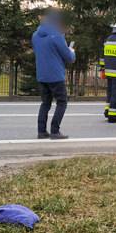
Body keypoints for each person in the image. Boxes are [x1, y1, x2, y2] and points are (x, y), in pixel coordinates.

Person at [32, 9, 75, 140]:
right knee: (62, 102)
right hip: (55, 75)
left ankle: (41, 131)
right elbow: (69, 57)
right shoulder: (56, 36)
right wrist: (71, 51)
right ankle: (55, 131)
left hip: (41, 75)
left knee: (45, 103)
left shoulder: (35, 35)